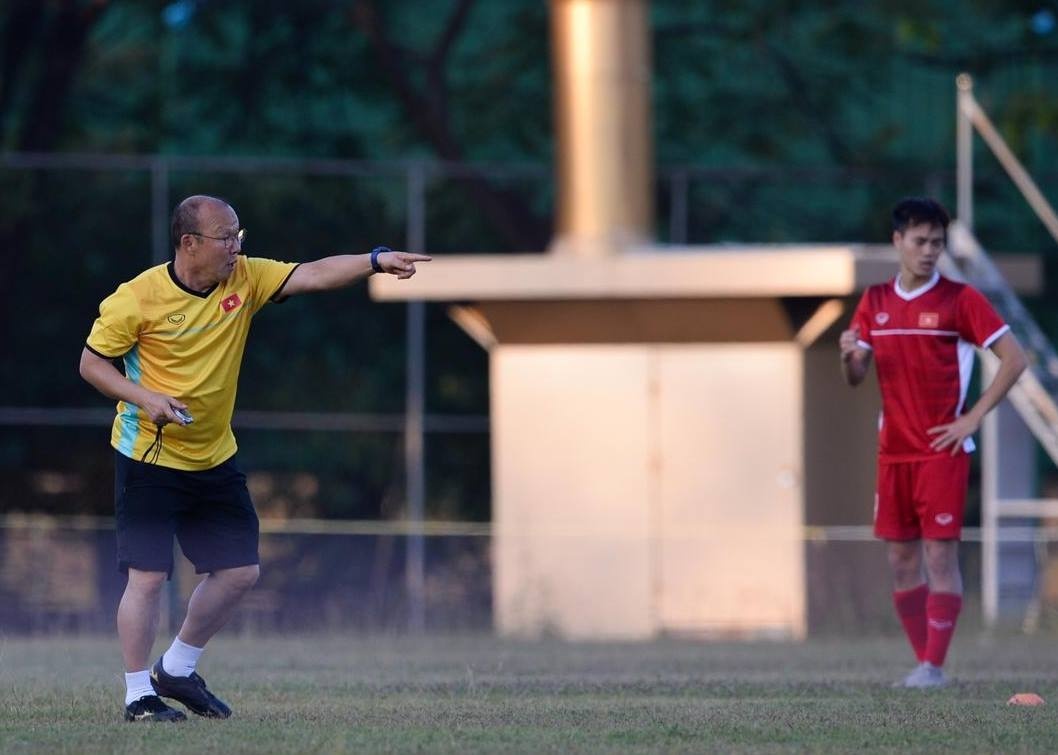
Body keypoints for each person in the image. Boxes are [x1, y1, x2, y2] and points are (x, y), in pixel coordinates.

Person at [80, 195, 430, 722]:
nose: (235, 247)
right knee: (148, 578)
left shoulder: (244, 278)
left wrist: (375, 260)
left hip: (214, 456)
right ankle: (138, 697)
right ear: (189, 243)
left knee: (239, 572)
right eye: (226, 237)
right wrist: (145, 398)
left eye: (238, 235)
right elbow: (91, 364)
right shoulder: (136, 298)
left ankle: (175, 669)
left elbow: (313, 273)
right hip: (150, 456)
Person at [839, 197, 1027, 688]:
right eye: (920, 241)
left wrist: (972, 419)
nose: (928, 251)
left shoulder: (960, 300)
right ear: (897, 240)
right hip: (893, 452)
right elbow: (856, 376)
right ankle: (924, 665)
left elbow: (1015, 359)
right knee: (901, 560)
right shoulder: (875, 301)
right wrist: (848, 357)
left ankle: (932, 667)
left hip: (942, 451)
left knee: (939, 557)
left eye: (937, 243)